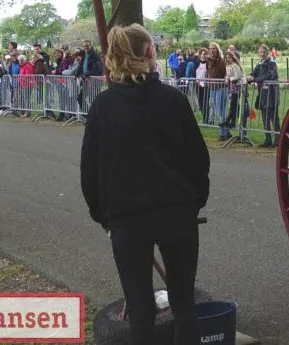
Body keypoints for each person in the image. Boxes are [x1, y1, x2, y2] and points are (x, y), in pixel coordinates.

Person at [80, 23, 210, 345]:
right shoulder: (173, 100)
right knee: (183, 305)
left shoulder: (103, 107)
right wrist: (194, 199)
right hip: (177, 212)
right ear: (150, 53)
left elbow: (89, 171)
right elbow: (198, 159)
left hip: (127, 218)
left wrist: (103, 215)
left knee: (140, 309)